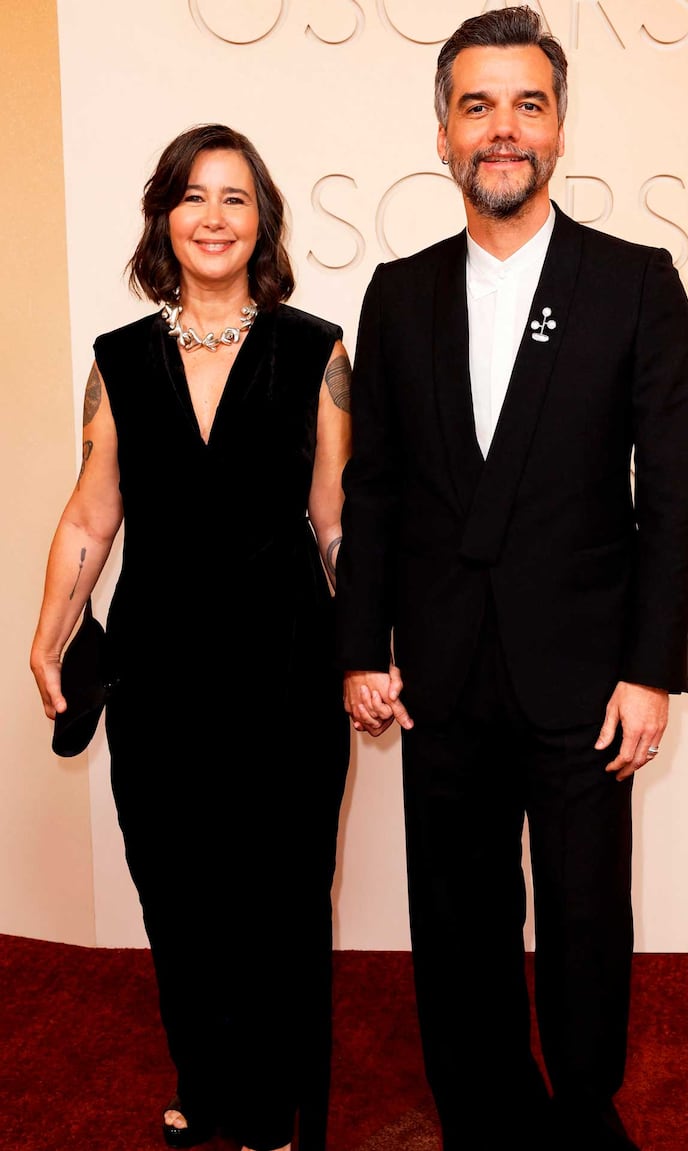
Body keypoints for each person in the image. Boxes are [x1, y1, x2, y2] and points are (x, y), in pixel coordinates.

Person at [335, 8, 688, 1150]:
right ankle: (484, 1111)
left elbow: (672, 494)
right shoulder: (397, 294)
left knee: (587, 908)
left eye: (527, 104)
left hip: (585, 667)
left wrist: (649, 670)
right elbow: (376, 489)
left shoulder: (635, 283)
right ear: (441, 133)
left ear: (559, 128)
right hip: (439, 665)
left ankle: (584, 1109)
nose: (503, 129)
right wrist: (361, 643)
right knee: (456, 911)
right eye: (477, 105)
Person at [30, 123, 352, 1151]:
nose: (213, 217)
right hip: (158, 661)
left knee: (281, 883)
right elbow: (90, 515)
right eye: (193, 197)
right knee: (175, 879)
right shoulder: (119, 360)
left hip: (288, 656)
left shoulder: (314, 350)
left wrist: (367, 648)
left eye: (235, 198)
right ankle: (203, 1072)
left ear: (262, 224)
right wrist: (51, 630)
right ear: (163, 218)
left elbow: (337, 517)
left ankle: (273, 1092)